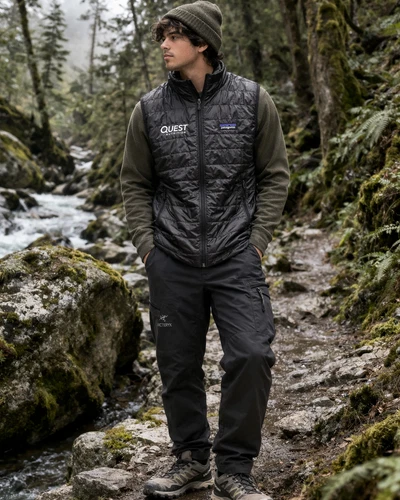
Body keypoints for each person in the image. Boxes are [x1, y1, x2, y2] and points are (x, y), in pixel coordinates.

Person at [120, 2, 289, 499]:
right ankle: (190, 458)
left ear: (202, 43)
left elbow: (275, 175)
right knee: (177, 366)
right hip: (170, 258)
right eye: (162, 36)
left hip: (236, 254)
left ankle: (234, 469)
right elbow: (134, 183)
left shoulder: (252, 100)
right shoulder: (149, 109)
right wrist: (148, 249)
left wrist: (257, 243)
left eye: (174, 36)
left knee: (252, 354)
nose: (164, 45)